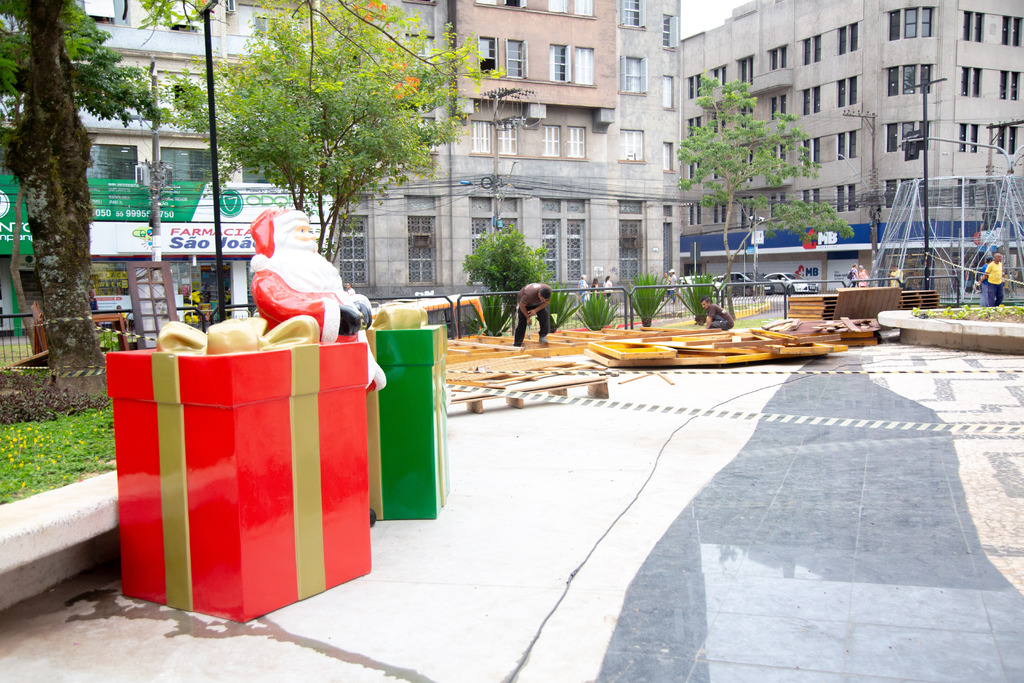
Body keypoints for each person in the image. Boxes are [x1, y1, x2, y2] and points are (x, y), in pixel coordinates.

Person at [249, 208, 385, 389]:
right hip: (305, 361)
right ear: (282, 238)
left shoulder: (316, 270)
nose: (311, 237)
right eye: (302, 232)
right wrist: (333, 314)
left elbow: (339, 293)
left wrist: (358, 305)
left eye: (310, 231)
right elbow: (282, 304)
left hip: (348, 356)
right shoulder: (269, 276)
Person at [513, 283, 552, 347]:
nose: (545, 301)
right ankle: (517, 343)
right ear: (539, 294)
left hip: (537, 303)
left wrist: (535, 310)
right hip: (524, 304)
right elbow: (522, 305)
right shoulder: (529, 294)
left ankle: (542, 336)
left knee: (544, 315)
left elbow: (546, 303)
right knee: (522, 322)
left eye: (546, 299)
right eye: (543, 299)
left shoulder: (549, 290)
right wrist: (528, 318)